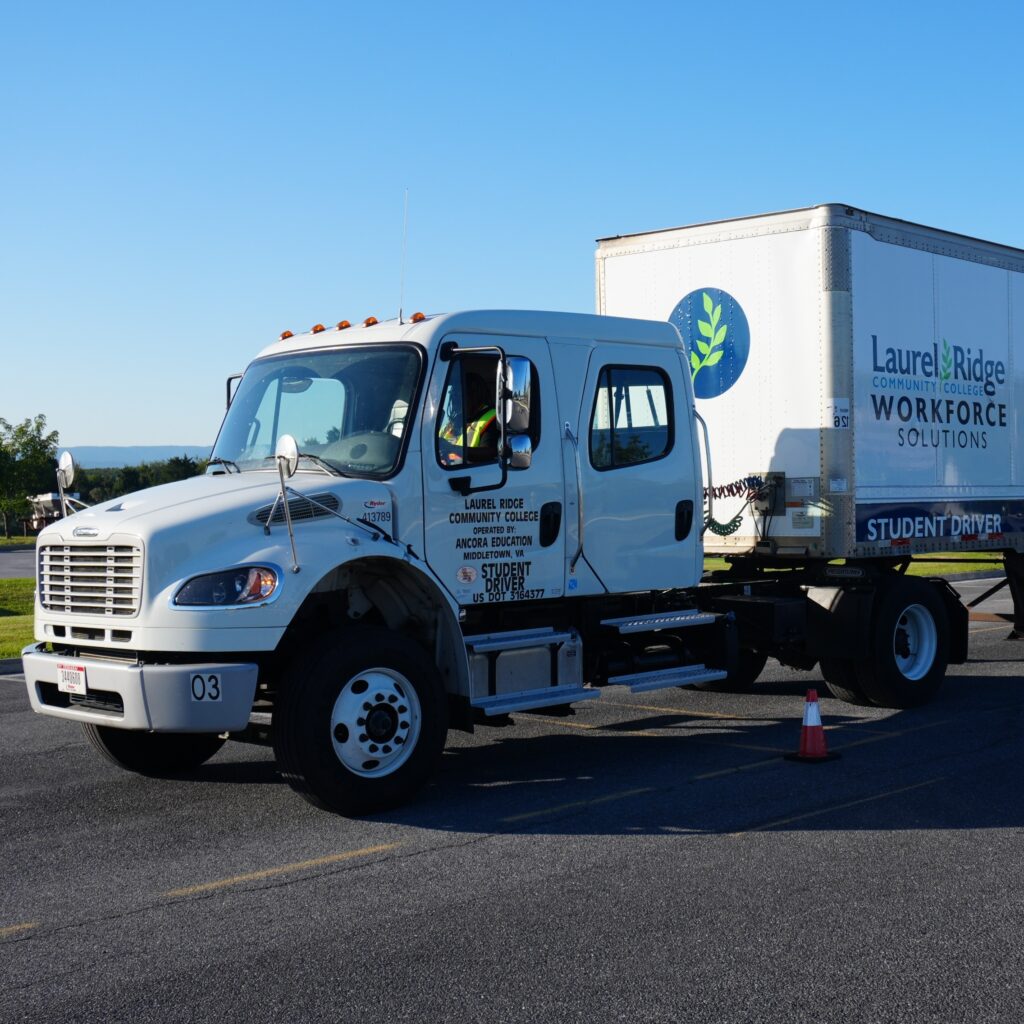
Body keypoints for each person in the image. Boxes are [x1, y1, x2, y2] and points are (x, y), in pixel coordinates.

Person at [439, 370, 498, 465]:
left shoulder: (493, 417)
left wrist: (452, 449)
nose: (455, 400)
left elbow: (490, 453)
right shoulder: (454, 421)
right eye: (453, 395)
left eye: (459, 394)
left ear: (476, 395)